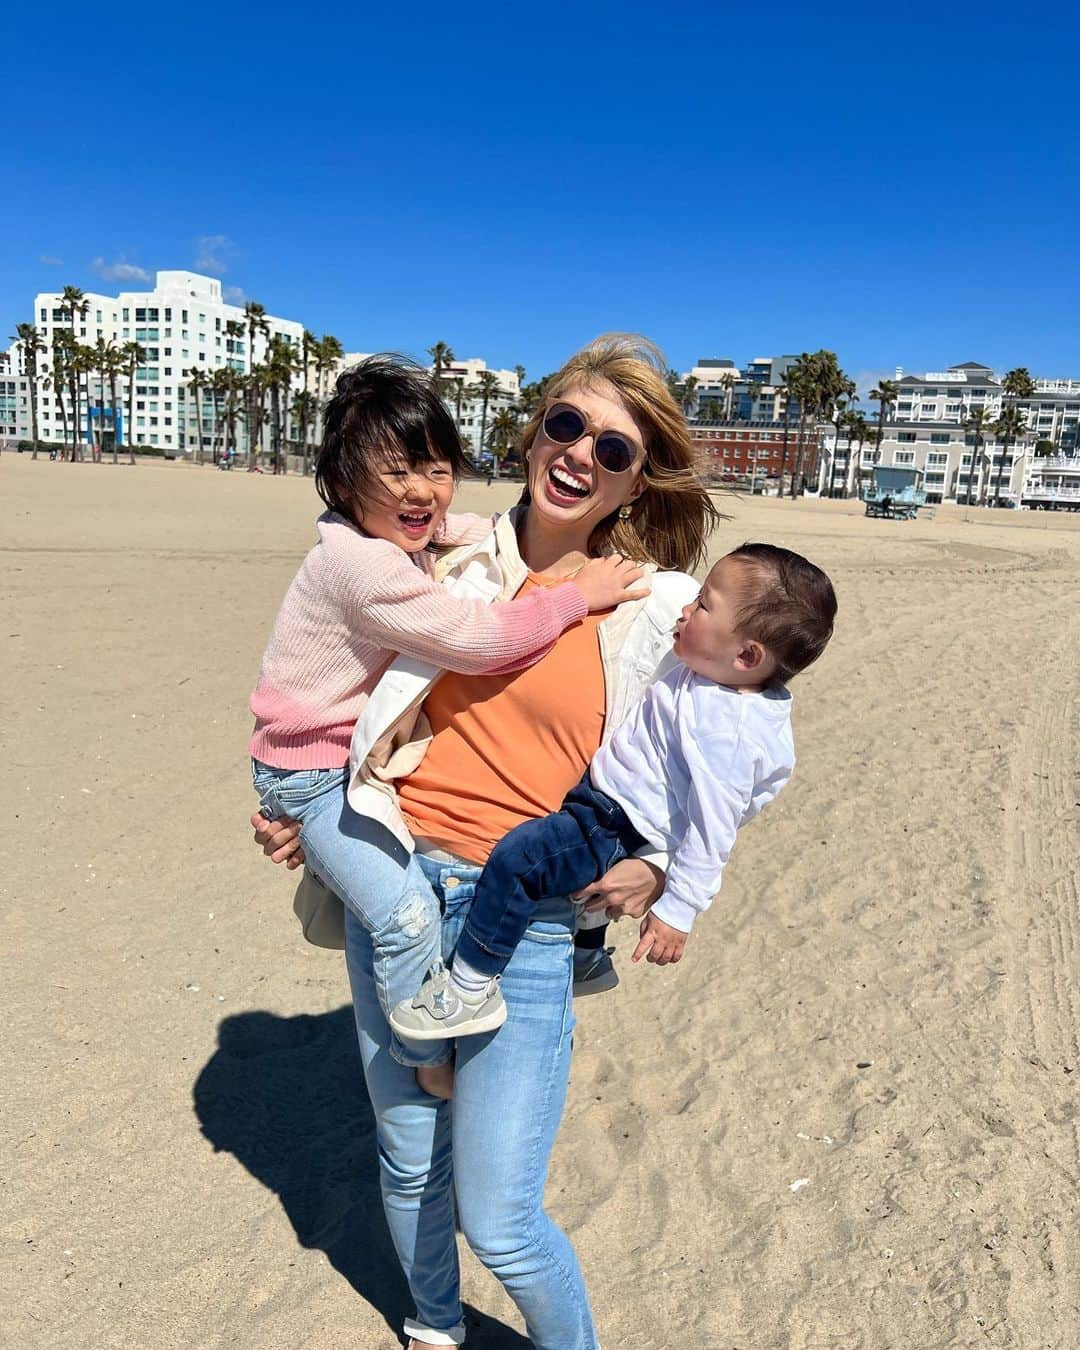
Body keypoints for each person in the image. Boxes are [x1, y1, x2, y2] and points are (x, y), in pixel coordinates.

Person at [252, 333, 720, 1350]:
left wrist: (660, 863)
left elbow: (729, 752)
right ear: (533, 426)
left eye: (615, 450)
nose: (579, 456)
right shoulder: (432, 554)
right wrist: (313, 815)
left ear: (636, 484)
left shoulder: (655, 604)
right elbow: (341, 695)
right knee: (409, 1153)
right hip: (402, 870)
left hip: (530, 924)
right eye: (567, 424)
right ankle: (430, 1328)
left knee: (502, 1220)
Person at [249, 354, 647, 1097]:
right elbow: (483, 641)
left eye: (436, 469)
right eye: (395, 472)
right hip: (314, 775)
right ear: (341, 482)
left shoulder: (400, 538)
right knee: (402, 916)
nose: (422, 492)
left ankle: (575, 954)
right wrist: (573, 596)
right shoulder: (365, 568)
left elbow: (473, 526)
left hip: (335, 769)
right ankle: (422, 1055)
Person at [390, 544, 836, 1041]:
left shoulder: (729, 729)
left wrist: (677, 910)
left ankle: (469, 988)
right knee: (572, 871)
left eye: (703, 605)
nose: (687, 608)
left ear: (747, 655)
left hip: (615, 825)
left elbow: (715, 829)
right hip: (607, 799)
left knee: (520, 859)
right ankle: (587, 956)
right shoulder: (717, 674)